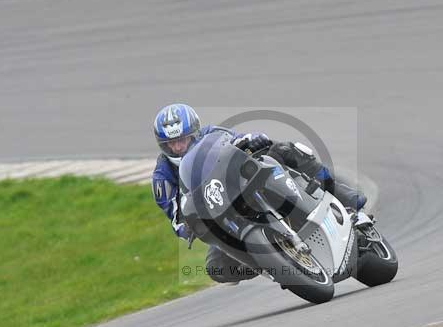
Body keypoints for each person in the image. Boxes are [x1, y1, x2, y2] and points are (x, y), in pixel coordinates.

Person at [151, 103, 366, 283]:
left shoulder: (210, 134)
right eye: (172, 143)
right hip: (222, 217)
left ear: (194, 133)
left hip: (247, 185)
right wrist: (187, 227)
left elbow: (238, 139)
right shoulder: (162, 179)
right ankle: (270, 266)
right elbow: (175, 218)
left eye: (183, 139)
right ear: (164, 146)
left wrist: (253, 139)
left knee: (285, 151)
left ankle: (341, 194)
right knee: (215, 268)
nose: (179, 147)